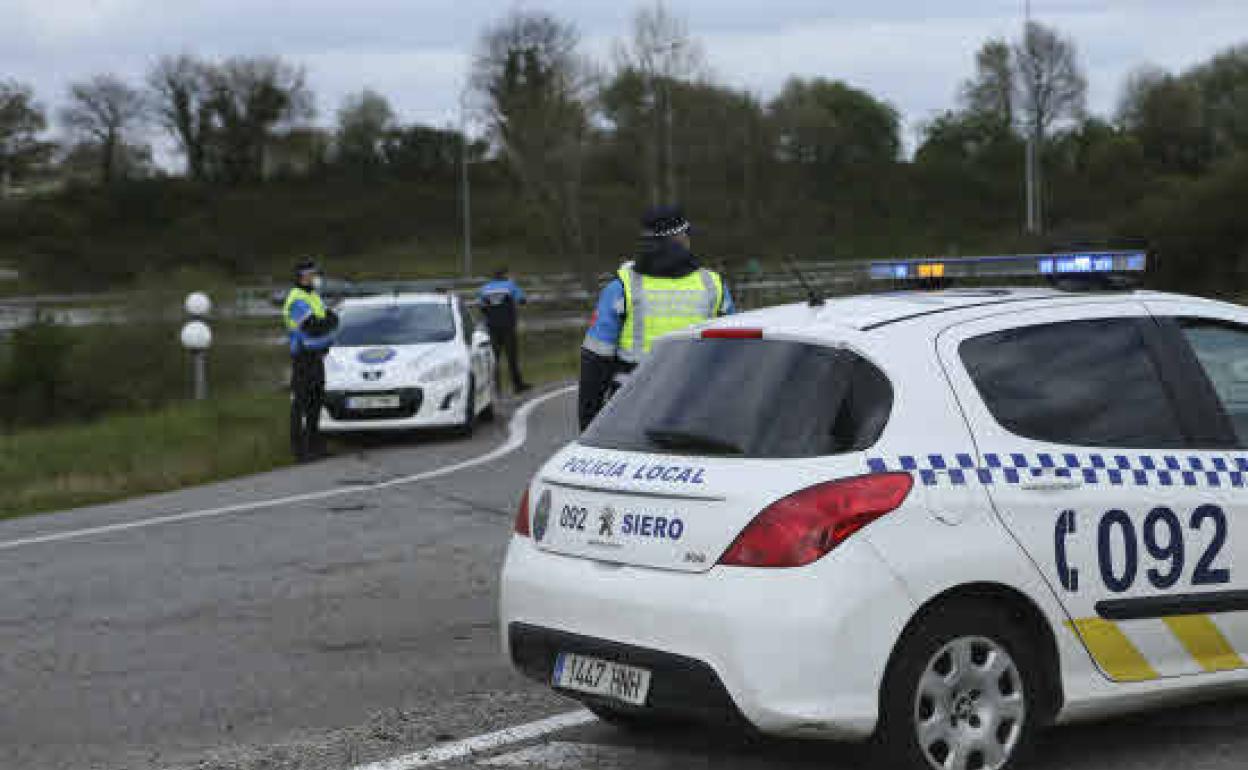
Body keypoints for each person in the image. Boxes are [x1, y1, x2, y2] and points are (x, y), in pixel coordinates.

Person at [578, 205, 735, 430]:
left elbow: (595, 360)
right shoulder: (713, 285)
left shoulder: (622, 287)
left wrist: (588, 426)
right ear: (681, 237)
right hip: (696, 405)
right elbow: (730, 354)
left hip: (631, 403)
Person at [283, 259, 339, 462]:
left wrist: (327, 322)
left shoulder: (313, 296)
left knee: (316, 402)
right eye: (308, 274)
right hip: (303, 357)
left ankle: (315, 445)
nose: (312, 277)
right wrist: (327, 323)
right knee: (300, 404)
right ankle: (300, 451)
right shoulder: (295, 298)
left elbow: (333, 319)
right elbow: (313, 325)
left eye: (314, 274)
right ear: (299, 277)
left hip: (318, 356)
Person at [478, 267, 531, 394]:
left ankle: (496, 388)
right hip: (508, 326)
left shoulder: (484, 289)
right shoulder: (510, 285)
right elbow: (522, 300)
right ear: (505, 275)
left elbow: (482, 308)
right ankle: (517, 386)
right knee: (512, 357)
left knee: (494, 359)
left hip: (492, 327)